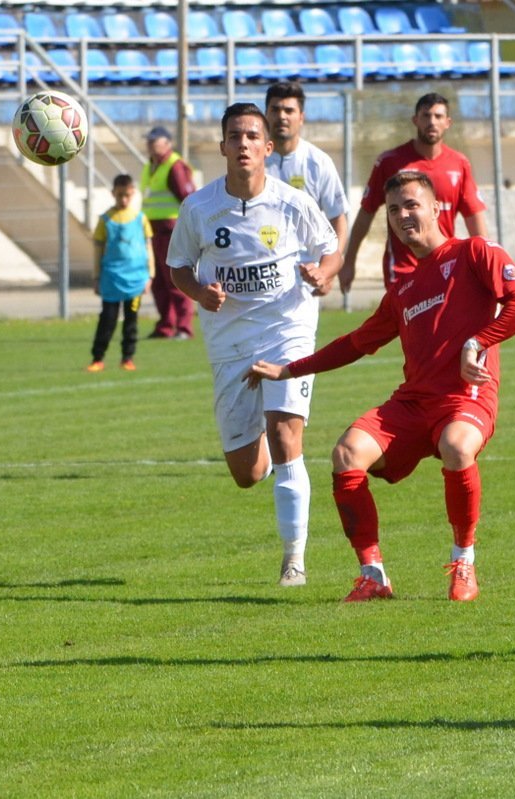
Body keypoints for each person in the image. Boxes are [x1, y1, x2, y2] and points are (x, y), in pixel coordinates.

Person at [248, 170, 515, 603]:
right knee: (347, 453)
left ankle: (464, 562)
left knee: (458, 447)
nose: (403, 216)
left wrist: (479, 341)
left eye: (411, 205)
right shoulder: (402, 287)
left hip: (466, 396)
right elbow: (356, 342)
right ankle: (373, 575)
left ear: (436, 208)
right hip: (414, 403)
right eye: (393, 210)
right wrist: (289, 370)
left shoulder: (476, 252)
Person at [166, 103, 340, 587]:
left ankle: (294, 561)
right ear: (222, 147)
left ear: (267, 148)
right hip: (230, 340)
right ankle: (259, 448)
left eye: (251, 136)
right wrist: (200, 292)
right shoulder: (198, 208)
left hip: (288, 326)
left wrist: (322, 274)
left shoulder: (292, 202)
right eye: (233, 136)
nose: (242, 144)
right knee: (245, 473)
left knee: (287, 437)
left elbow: (330, 248)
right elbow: (178, 264)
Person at [339, 93, 488, 291]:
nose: (432, 122)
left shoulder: (459, 164)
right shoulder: (390, 162)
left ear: (448, 122)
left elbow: (474, 218)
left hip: (443, 266)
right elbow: (366, 212)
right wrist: (349, 261)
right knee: (406, 322)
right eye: (426, 116)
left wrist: (485, 263)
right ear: (415, 120)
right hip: (402, 270)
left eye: (438, 116)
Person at [264, 81, 350, 263]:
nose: (281, 116)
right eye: (275, 110)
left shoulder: (319, 162)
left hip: (304, 273)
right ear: (266, 115)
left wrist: (330, 267)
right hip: (262, 271)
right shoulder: (252, 160)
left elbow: (338, 218)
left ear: (301, 117)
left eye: (289, 110)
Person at [88, 173, 154, 372]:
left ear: (132, 193)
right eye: (119, 196)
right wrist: (97, 276)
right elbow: (98, 249)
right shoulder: (106, 219)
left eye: (126, 195)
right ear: (113, 194)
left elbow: (148, 247)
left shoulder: (140, 218)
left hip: (135, 280)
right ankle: (97, 358)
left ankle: (127, 358)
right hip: (111, 278)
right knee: (107, 318)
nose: (123, 200)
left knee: (131, 319)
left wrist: (150, 275)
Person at [141, 125, 197, 340]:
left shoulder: (174, 166)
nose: (150, 144)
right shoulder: (150, 166)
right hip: (152, 230)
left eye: (155, 140)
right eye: (149, 140)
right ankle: (165, 325)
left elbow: (188, 197)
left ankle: (183, 327)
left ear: (168, 143)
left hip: (170, 230)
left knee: (175, 280)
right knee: (158, 282)